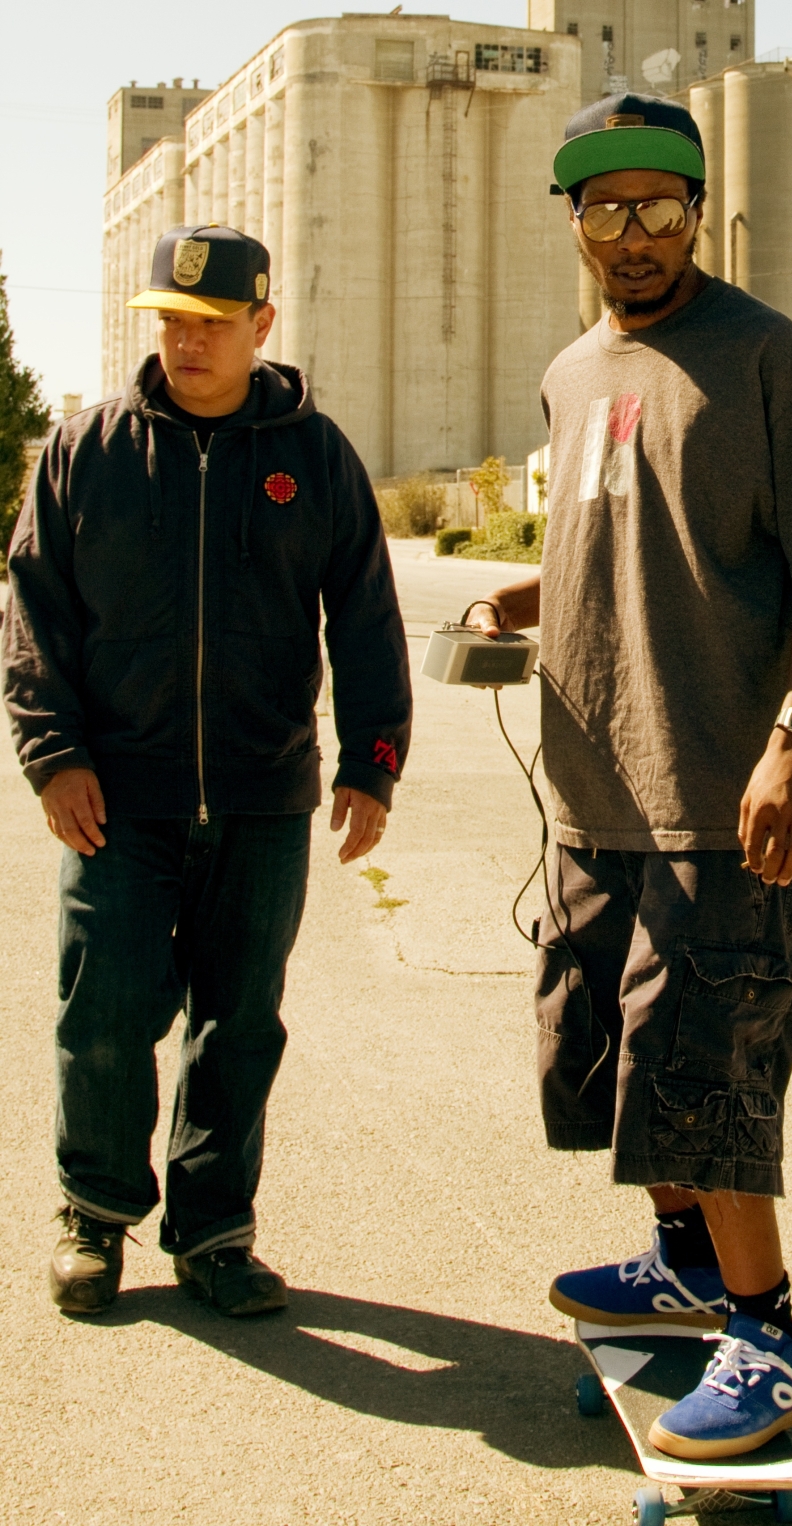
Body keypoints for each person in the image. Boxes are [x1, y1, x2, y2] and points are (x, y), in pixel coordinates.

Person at [467, 95, 792, 1460]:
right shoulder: (572, 372)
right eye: (603, 208)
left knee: (706, 1067)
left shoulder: (763, 353)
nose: (630, 233)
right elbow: (617, 533)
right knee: (608, 1055)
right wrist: (517, 599)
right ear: (574, 221)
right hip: (596, 787)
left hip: (729, 790)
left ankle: (771, 1334)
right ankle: (686, 1262)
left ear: (696, 212)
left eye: (656, 206)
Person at [3, 225, 412, 1318]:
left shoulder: (313, 455)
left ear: (261, 324)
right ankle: (93, 1216)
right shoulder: (86, 451)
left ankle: (216, 1231)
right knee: (103, 1011)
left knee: (240, 1021)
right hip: (116, 797)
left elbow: (365, 616)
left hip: (261, 792)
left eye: (213, 323)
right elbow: (34, 614)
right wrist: (53, 755)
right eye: (172, 322)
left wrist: (372, 761)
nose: (188, 342)